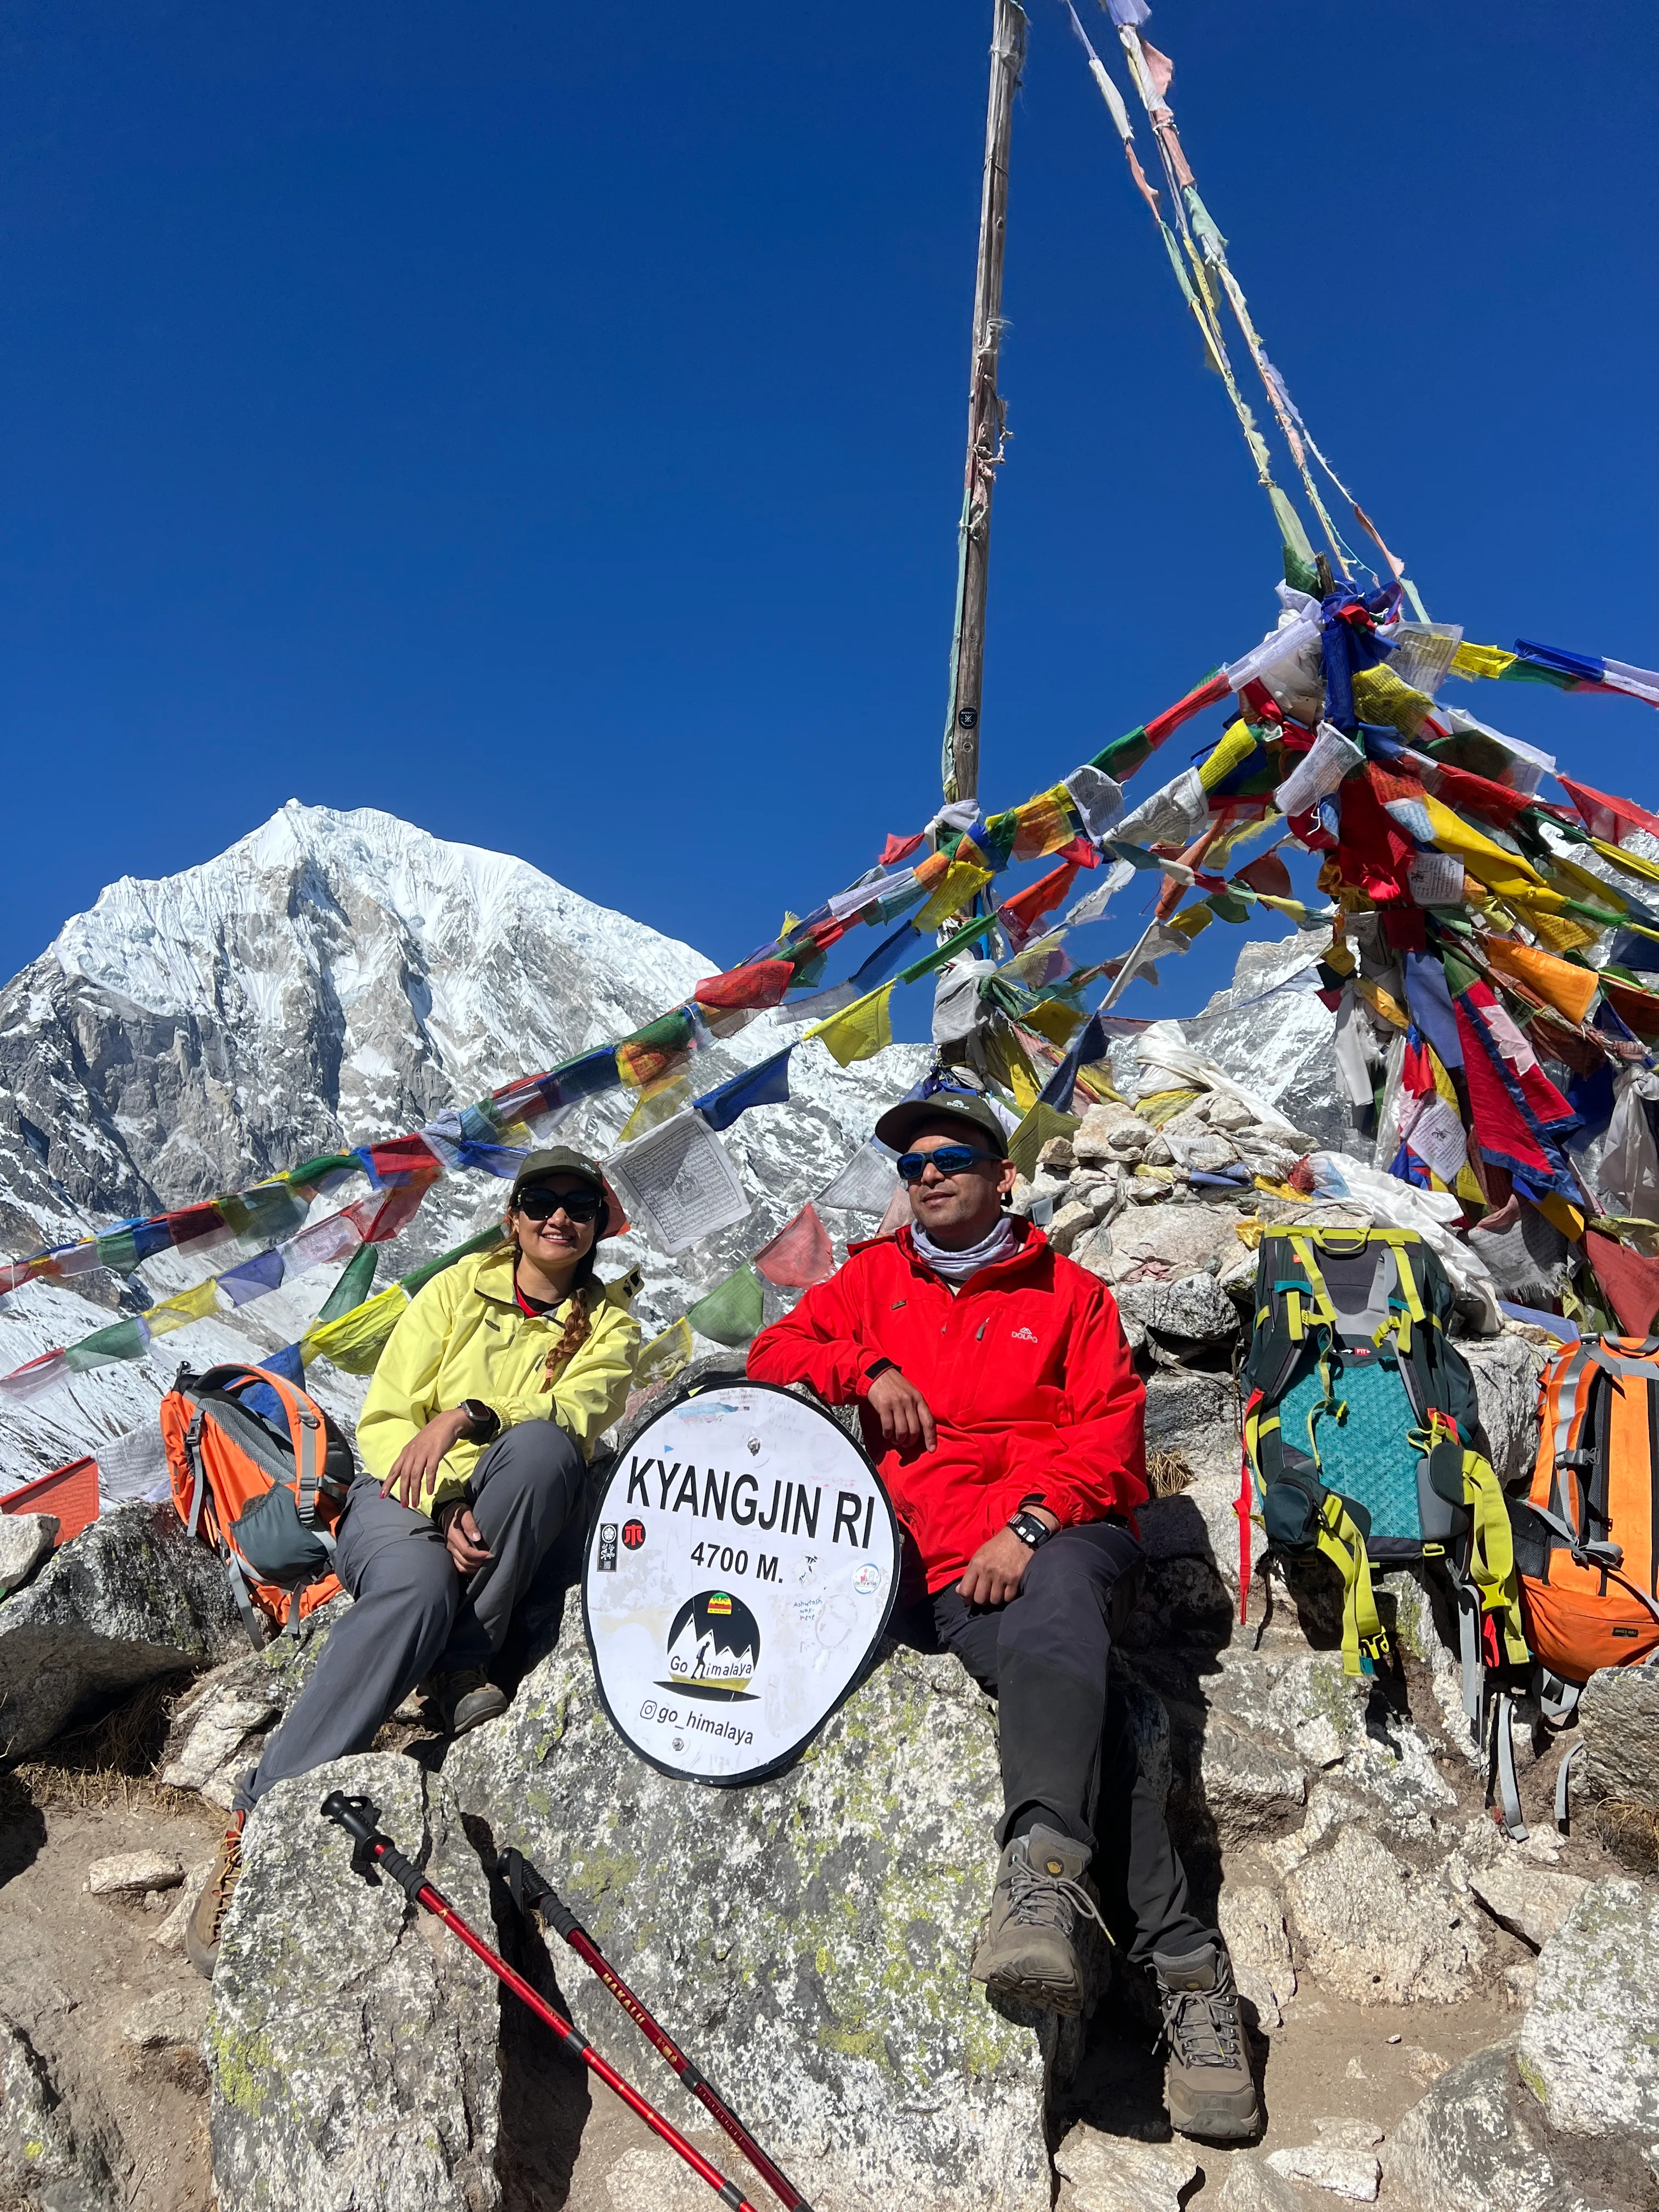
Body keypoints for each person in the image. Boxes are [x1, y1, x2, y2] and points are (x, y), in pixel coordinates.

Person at [746, 1090, 1260, 2142]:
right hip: (933, 1556)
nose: (926, 1174)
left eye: (950, 1157)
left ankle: (1041, 1866)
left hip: (1058, 1531)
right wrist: (865, 1365)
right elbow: (771, 1360)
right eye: (911, 1164)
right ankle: (1185, 1970)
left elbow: (1112, 1443)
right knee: (1101, 1703)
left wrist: (1028, 1527)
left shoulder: (1070, 1294)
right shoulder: (870, 1281)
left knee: (1062, 1595)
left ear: (1004, 1177)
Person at [187, 1147, 640, 1978]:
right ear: (513, 1218)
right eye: (541, 1200)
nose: (559, 1218)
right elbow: (389, 1419)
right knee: (420, 1587)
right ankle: (265, 1811)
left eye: (580, 1206)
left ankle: (464, 1660)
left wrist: (470, 1415)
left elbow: (578, 1415)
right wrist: (441, 1503)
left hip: (508, 1506)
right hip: (400, 1502)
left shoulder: (611, 1326)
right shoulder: (453, 1291)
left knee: (542, 1451)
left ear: (598, 1227)